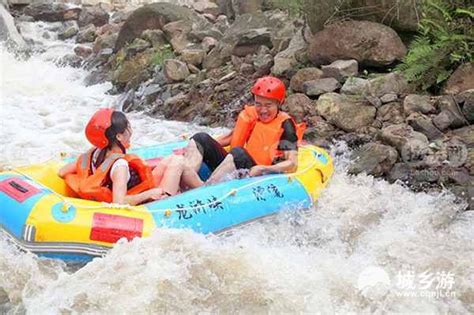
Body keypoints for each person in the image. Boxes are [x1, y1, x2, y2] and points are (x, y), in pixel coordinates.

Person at [182, 76, 306, 188]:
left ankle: (207, 189)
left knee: (238, 153)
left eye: (268, 105)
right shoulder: (252, 115)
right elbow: (230, 137)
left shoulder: (286, 126)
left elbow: (292, 163)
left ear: (279, 104)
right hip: (238, 165)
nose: (263, 110)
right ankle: (185, 176)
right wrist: (197, 148)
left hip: (259, 173)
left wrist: (264, 169)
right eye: (258, 104)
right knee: (201, 137)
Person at [58, 109, 191, 205]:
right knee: (178, 161)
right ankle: (206, 190)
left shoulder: (94, 153)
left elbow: (62, 172)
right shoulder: (119, 165)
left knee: (171, 159)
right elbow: (118, 202)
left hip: (134, 188)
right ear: (119, 137)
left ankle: (203, 186)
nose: (130, 128)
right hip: (149, 202)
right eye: (128, 126)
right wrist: (148, 194)